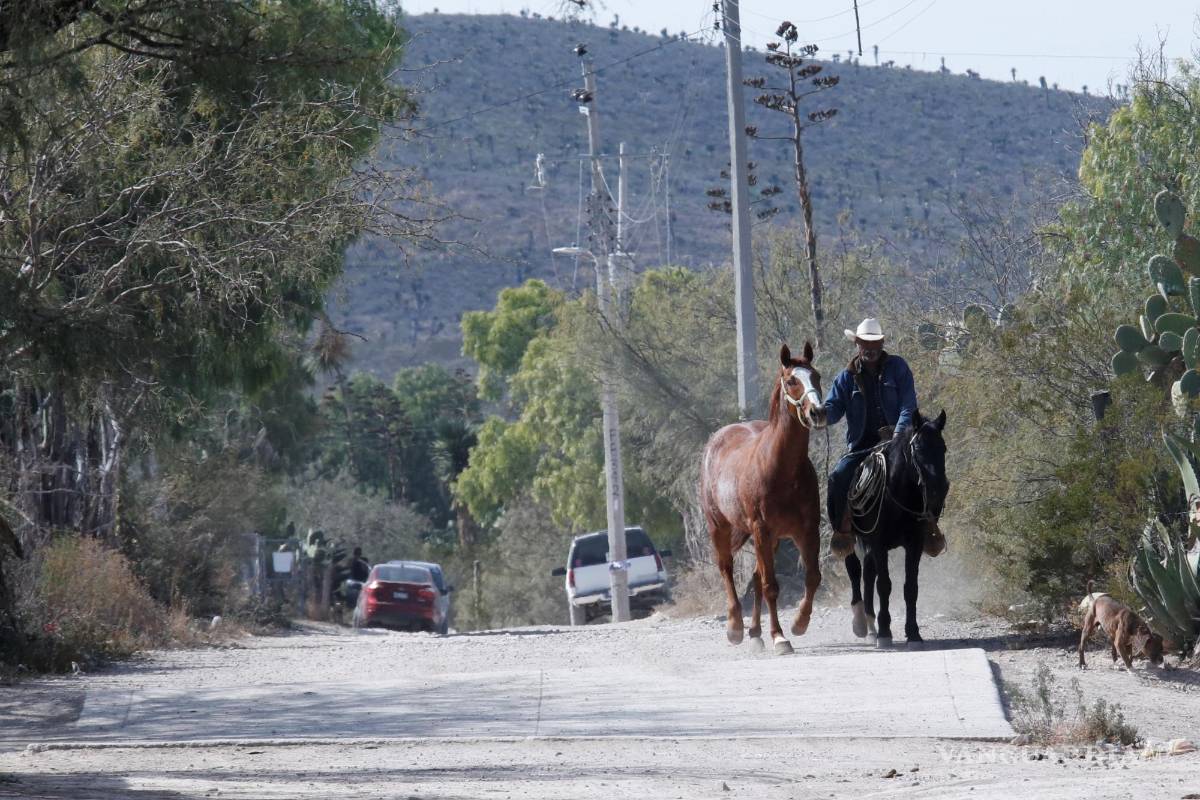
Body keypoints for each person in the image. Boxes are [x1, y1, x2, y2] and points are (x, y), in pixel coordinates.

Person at [823, 318, 945, 558]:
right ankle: (842, 530)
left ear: (881, 344)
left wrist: (899, 433)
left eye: (875, 343)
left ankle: (930, 524)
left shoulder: (898, 367)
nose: (870, 349)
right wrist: (820, 414)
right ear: (857, 344)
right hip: (861, 446)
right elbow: (834, 408)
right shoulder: (846, 378)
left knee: (929, 474)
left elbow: (908, 405)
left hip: (896, 442)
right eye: (865, 344)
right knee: (838, 477)